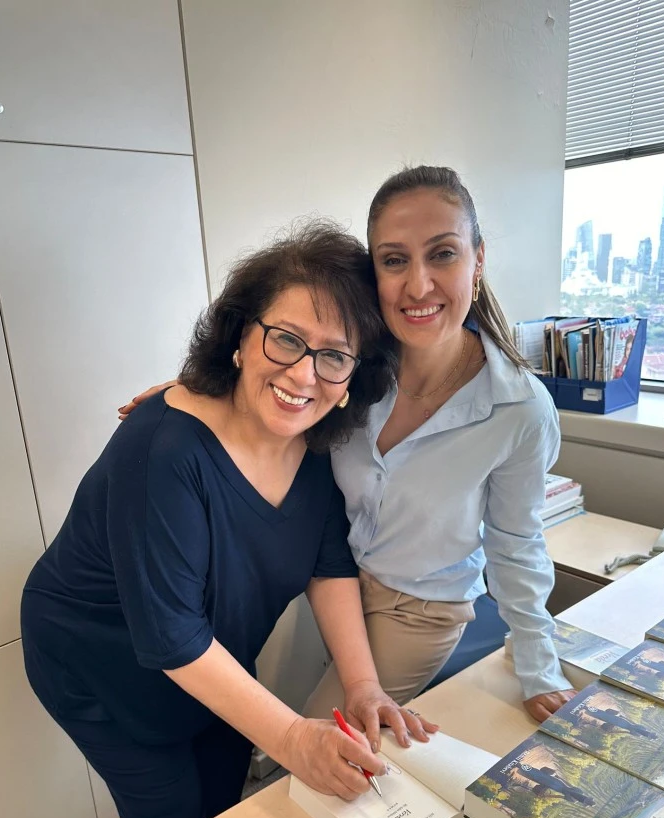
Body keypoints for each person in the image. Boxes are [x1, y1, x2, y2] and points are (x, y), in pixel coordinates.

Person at [21, 221, 430, 818]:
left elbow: (328, 565)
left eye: (334, 355)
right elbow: (173, 637)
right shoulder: (163, 450)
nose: (304, 373)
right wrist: (293, 738)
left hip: (208, 649)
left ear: (354, 373)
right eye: (286, 339)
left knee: (226, 803)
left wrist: (363, 686)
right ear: (242, 335)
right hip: (101, 661)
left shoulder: (316, 444)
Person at [122, 166, 575, 726]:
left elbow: (517, 544)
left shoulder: (518, 409)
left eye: (442, 254)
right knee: (276, 732)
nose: (418, 286)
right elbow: (281, 383)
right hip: (328, 581)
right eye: (394, 260)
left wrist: (539, 666)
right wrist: (199, 395)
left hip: (417, 610)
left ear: (477, 260)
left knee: (312, 748)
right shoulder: (352, 362)